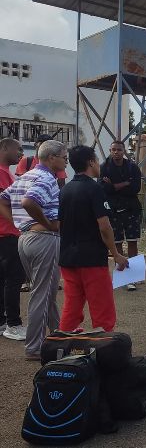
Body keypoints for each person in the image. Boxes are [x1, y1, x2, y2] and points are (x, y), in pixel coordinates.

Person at [0, 139, 66, 360]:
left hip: (26, 239)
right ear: (51, 158)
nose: (66, 159)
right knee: (41, 294)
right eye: (63, 156)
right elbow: (29, 201)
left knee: (46, 293)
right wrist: (47, 223)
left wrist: (19, 224)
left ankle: (59, 336)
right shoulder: (46, 177)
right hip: (44, 238)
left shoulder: (25, 176)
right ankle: (35, 347)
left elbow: (2, 199)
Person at [58, 146, 129, 333]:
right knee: (102, 307)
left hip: (67, 257)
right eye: (97, 160)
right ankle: (105, 348)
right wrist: (115, 254)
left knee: (72, 305)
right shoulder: (94, 188)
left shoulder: (65, 190)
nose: (99, 164)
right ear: (90, 162)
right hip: (91, 258)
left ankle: (63, 344)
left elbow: (60, 223)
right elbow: (104, 225)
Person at [100, 140, 143, 291]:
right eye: (113, 149)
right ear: (110, 150)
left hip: (131, 209)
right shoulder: (104, 167)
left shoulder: (132, 167)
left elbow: (135, 188)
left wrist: (113, 186)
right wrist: (125, 183)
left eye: (119, 149)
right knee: (116, 242)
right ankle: (122, 275)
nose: (116, 152)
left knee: (132, 241)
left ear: (124, 151)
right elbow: (103, 189)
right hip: (113, 210)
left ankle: (134, 276)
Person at [0, 138, 26, 341]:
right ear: (4, 148)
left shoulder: (7, 173)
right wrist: (18, 223)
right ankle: (13, 324)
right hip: (7, 234)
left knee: (4, 279)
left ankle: (2, 322)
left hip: (7, 233)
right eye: (18, 149)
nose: (21, 153)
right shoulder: (1, 174)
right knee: (13, 279)